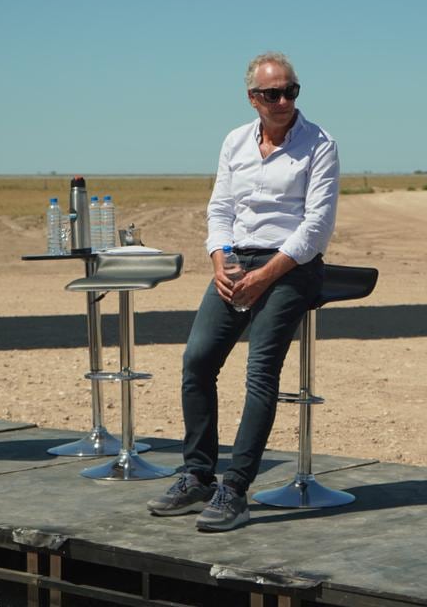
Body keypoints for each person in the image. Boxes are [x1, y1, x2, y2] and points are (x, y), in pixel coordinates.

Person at [147, 52, 339, 531]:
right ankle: (197, 475)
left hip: (292, 265)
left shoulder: (320, 144)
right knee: (197, 360)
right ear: (252, 97)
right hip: (236, 262)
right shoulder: (235, 141)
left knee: (260, 369)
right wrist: (220, 261)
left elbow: (315, 228)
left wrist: (264, 275)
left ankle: (235, 487)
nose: (282, 101)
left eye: (290, 91)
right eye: (271, 94)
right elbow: (219, 210)